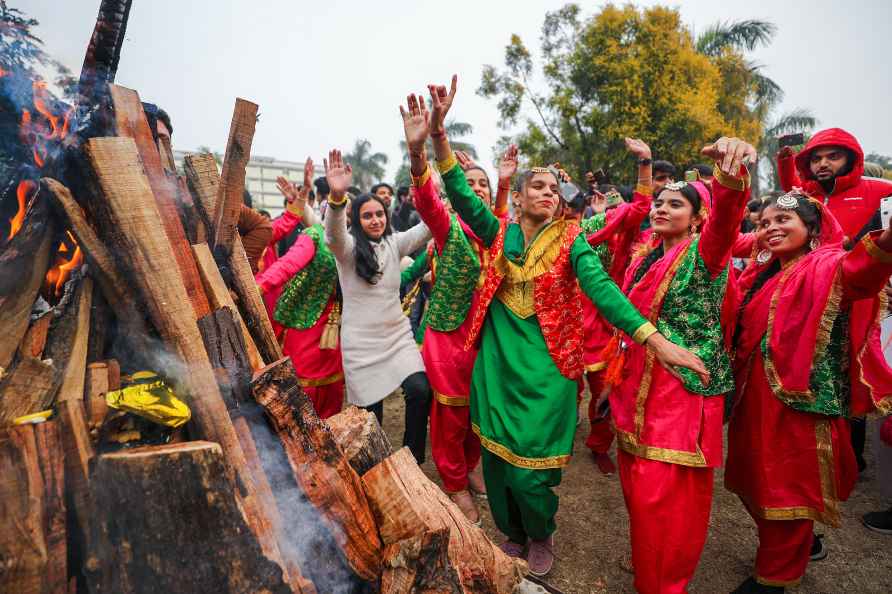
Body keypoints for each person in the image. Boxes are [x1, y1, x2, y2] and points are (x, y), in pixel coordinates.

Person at [421, 75, 708, 577]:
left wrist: (654, 339)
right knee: (496, 465)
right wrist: (438, 136)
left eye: (555, 188)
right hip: (497, 366)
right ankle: (511, 534)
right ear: (522, 195)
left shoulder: (574, 240)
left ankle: (540, 530)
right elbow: (463, 197)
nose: (549, 194)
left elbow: (603, 290)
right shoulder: (498, 232)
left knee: (532, 477)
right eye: (539, 186)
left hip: (550, 370)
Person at [608, 136, 756, 594]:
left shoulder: (705, 255)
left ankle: (664, 584)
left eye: (676, 204)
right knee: (637, 489)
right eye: (660, 202)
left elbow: (727, 222)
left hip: (681, 394)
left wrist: (729, 178)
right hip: (636, 388)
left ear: (697, 217)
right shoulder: (644, 256)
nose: (662, 208)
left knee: (664, 497)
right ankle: (648, 567)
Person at [726, 190, 892, 593]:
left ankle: (774, 579)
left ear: (812, 229)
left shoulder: (829, 265)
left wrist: (888, 240)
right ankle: (788, 550)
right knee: (757, 482)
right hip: (755, 399)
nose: (771, 228)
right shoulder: (761, 275)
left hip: (800, 407)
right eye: (764, 223)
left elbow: (862, 270)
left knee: (788, 489)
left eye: (783, 220)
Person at [399, 96, 514, 523]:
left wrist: (501, 183)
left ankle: (468, 467)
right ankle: (453, 483)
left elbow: (497, 221)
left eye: (483, 184)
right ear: (461, 193)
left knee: (479, 409)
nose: (478, 190)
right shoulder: (451, 228)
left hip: (488, 336)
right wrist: (418, 152)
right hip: (448, 336)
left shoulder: (501, 232)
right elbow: (430, 201)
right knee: (451, 413)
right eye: (472, 185)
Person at [323, 149, 433, 463]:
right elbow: (332, 234)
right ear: (357, 220)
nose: (375, 220)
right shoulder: (347, 250)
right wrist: (336, 197)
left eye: (379, 214)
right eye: (367, 215)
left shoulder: (395, 243)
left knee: (420, 390)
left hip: (397, 337)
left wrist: (433, 189)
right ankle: (378, 466)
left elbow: (428, 227)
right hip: (360, 345)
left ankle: (412, 459)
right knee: (370, 419)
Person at [578, 138, 654, 475]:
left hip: (599, 325)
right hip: (558, 324)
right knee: (561, 394)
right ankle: (557, 436)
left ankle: (598, 443)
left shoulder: (609, 234)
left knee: (605, 392)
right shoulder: (553, 231)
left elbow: (638, 210)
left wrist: (644, 165)